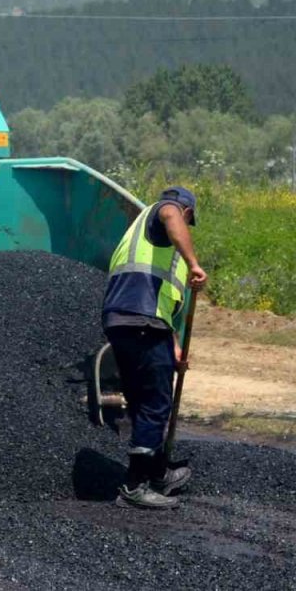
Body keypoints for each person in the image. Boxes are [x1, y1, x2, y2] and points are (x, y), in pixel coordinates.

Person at [102, 186, 207, 509]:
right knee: (156, 403)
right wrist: (193, 262)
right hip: (141, 320)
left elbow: (166, 300)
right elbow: (169, 212)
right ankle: (136, 485)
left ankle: (158, 471)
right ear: (186, 213)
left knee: (142, 398)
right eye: (188, 222)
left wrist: (173, 344)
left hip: (130, 321)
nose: (184, 228)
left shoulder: (152, 246)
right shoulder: (166, 212)